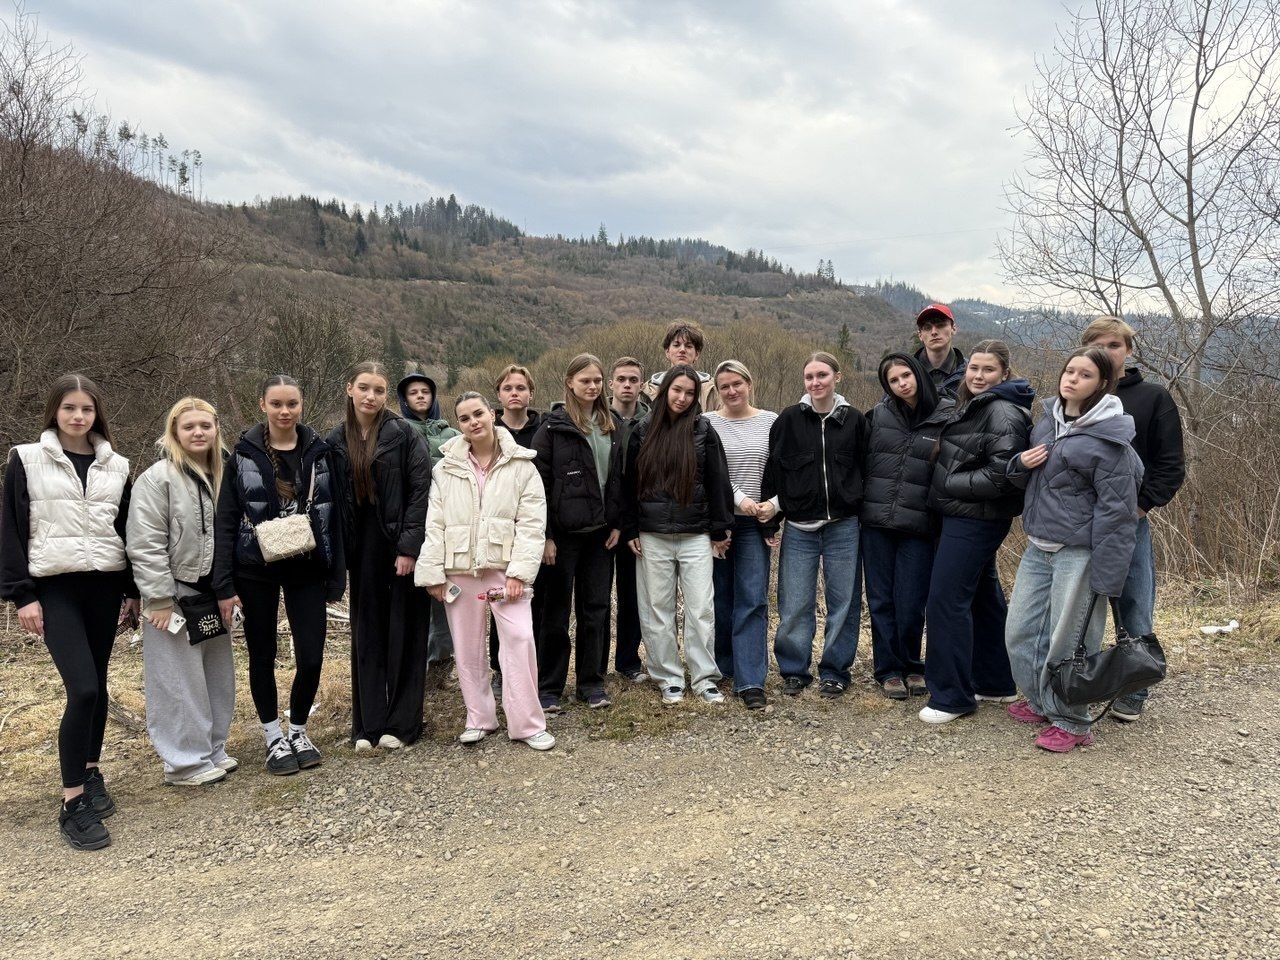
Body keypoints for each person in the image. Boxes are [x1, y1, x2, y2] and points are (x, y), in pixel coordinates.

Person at [0, 375, 139, 850]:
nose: (78, 416)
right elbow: (12, 529)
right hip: (54, 587)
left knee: (98, 683)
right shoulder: (26, 459)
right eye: (69, 408)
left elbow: (127, 529)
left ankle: (91, 771)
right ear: (54, 412)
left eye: (86, 409)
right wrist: (22, 596)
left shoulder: (117, 465)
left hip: (105, 584)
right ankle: (72, 802)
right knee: (82, 688)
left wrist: (133, 590)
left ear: (97, 414)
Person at [1005, 347, 1144, 752]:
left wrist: (1107, 577)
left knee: (1071, 642)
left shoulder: (1110, 439)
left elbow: (1118, 515)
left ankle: (1073, 720)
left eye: (1085, 375)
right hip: (1038, 546)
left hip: (1078, 553)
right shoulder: (1047, 422)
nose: (1073, 379)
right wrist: (1018, 464)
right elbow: (1031, 480)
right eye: (1070, 371)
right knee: (1021, 632)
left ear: (1102, 384)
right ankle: (1042, 700)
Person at [214, 374, 345, 775]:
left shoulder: (321, 453)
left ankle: (299, 731)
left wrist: (336, 572)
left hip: (307, 566)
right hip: (256, 568)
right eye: (276, 404)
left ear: (301, 405)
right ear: (263, 405)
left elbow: (335, 516)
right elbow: (226, 520)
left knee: (311, 654)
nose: (285, 411)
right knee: (262, 654)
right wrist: (224, 584)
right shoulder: (241, 456)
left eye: (292, 404)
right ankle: (273, 735)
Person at [415, 392, 554, 750]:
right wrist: (432, 574)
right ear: (458, 425)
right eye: (464, 418)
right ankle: (479, 718)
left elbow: (532, 525)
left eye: (478, 414)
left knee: (520, 640)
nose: (473, 422)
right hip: (459, 568)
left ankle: (527, 724)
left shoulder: (522, 465)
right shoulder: (445, 469)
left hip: (504, 569)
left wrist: (519, 573)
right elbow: (435, 524)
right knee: (467, 648)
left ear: (492, 415)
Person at [920, 340, 1033, 724]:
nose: (979, 376)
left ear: (1004, 373)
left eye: (988, 370)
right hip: (964, 514)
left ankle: (951, 697)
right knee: (983, 598)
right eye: (974, 368)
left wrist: (948, 482)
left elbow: (1004, 475)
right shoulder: (973, 403)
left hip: (976, 519)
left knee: (945, 600)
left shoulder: (1003, 412)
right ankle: (996, 680)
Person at [127, 397, 236, 787]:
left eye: (205, 425)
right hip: (173, 592)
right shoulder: (158, 478)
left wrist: (231, 587)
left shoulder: (224, 473)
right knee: (176, 680)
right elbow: (145, 542)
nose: (198, 433)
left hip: (214, 592)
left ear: (216, 428)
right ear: (174, 431)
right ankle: (184, 762)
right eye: (189, 426)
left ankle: (213, 748)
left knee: (216, 675)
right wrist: (157, 598)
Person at [1080, 317, 1186, 722]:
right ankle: (1079, 682)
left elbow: (1170, 464)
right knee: (1077, 608)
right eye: (1098, 345)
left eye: (1114, 345)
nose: (1107, 352)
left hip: (1128, 521)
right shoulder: (1078, 394)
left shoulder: (1152, 397)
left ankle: (1134, 688)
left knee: (1134, 603)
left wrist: (1139, 508)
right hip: (1076, 522)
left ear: (1128, 350)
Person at [329, 361, 433, 751]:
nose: (371, 396)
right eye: (364, 388)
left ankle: (403, 724)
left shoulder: (404, 434)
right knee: (367, 635)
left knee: (406, 632)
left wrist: (409, 547)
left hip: (400, 544)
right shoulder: (336, 439)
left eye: (379, 390)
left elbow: (421, 491)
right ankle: (367, 726)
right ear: (349, 389)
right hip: (361, 549)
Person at [622, 364, 734, 705]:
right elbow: (628, 484)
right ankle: (668, 677)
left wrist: (719, 528)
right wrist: (630, 527)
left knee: (701, 609)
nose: (682, 398)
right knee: (657, 609)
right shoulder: (642, 430)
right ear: (664, 390)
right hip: (651, 533)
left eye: (689, 392)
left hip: (695, 533)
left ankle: (704, 678)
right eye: (677, 390)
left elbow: (718, 480)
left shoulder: (704, 430)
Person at [761, 351, 869, 699]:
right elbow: (774, 472)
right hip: (799, 527)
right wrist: (771, 522)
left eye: (822, 375)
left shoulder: (854, 420)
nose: (815, 382)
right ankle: (794, 670)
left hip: (843, 526)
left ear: (837, 377)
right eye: (809, 377)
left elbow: (866, 470)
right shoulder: (789, 419)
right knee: (795, 602)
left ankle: (835, 671)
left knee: (844, 602)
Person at [531, 354, 623, 712]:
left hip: (601, 535)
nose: (593, 386)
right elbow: (538, 487)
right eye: (585, 380)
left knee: (596, 609)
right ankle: (550, 686)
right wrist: (546, 536)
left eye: (597, 380)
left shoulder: (611, 425)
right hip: (563, 536)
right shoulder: (552, 429)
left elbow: (619, 480)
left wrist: (618, 523)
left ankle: (591, 683)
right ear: (569, 382)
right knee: (555, 612)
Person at [861, 353, 955, 699]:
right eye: (893, 380)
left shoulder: (947, 414)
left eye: (906, 376)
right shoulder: (879, 415)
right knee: (881, 599)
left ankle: (913, 666)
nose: (901, 384)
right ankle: (888, 670)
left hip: (919, 524)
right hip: (877, 522)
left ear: (917, 374)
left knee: (912, 601)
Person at [705, 360, 778, 710]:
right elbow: (709, 474)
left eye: (737, 384)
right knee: (719, 599)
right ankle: (723, 668)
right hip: (717, 522)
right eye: (724, 386)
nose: (732, 391)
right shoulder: (708, 423)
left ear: (749, 383)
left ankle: (750, 680)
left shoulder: (771, 421)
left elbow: (781, 470)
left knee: (752, 598)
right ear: (717, 391)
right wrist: (738, 500)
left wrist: (772, 508)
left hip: (754, 523)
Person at [489, 364, 548, 701]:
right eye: (508, 388)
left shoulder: (544, 430)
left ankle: (535, 672)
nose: (515, 393)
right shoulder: (489, 432)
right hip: (499, 532)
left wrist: (547, 535)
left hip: (534, 531)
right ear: (499, 395)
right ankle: (500, 671)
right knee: (502, 603)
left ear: (531, 393)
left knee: (538, 605)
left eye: (521, 388)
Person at [602, 357, 650, 683]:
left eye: (633, 379)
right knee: (599, 598)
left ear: (642, 385)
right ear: (611, 384)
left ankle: (628, 662)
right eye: (621, 379)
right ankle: (596, 665)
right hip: (603, 522)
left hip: (637, 522)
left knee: (632, 596)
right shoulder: (597, 418)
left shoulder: (652, 421)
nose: (627, 385)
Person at [640, 319, 716, 409]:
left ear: (697, 354)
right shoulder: (647, 390)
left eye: (688, 346)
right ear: (667, 352)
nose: (682, 350)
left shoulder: (713, 389)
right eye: (676, 345)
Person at [397, 372, 460, 461]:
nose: (420, 396)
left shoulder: (454, 435)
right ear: (405, 399)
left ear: (433, 397)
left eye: (425, 392)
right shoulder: (398, 432)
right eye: (413, 393)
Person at [914, 303, 966, 398]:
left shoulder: (969, 372)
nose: (934, 332)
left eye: (940, 325)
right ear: (920, 335)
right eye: (927, 328)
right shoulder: (907, 373)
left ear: (953, 329)